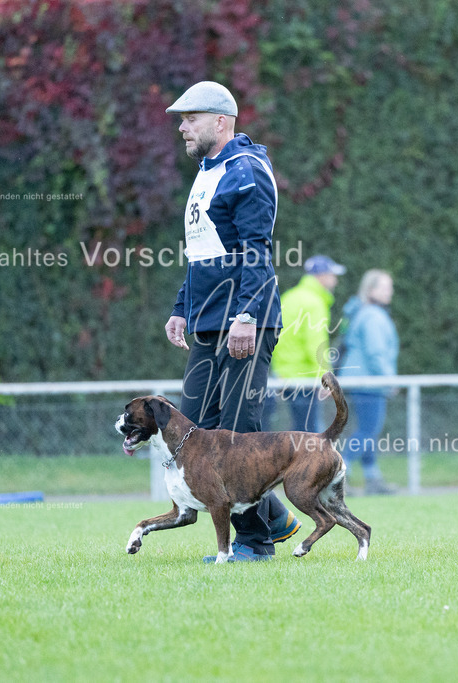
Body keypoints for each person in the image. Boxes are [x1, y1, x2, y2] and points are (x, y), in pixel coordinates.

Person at [163, 81, 300, 562]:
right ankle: (276, 517)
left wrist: (245, 314)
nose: (182, 127)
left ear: (221, 122)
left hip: (245, 321)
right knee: (194, 431)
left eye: (191, 118)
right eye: (181, 119)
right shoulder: (207, 171)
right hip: (207, 322)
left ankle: (255, 543)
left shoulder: (245, 171)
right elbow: (199, 255)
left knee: (239, 438)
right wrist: (182, 307)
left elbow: (255, 252)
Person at [264, 254, 346, 433]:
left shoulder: (289, 297)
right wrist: (327, 377)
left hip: (285, 374)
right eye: (332, 274)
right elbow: (316, 344)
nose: (335, 280)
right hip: (304, 377)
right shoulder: (314, 302)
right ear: (321, 276)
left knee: (299, 430)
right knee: (310, 433)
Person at [337, 269, 399, 495]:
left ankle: (373, 478)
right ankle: (338, 471)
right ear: (371, 290)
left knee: (367, 431)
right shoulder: (373, 316)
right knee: (368, 430)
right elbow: (376, 353)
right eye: (385, 287)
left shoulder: (362, 312)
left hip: (360, 380)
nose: (389, 291)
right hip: (369, 382)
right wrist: (389, 379)